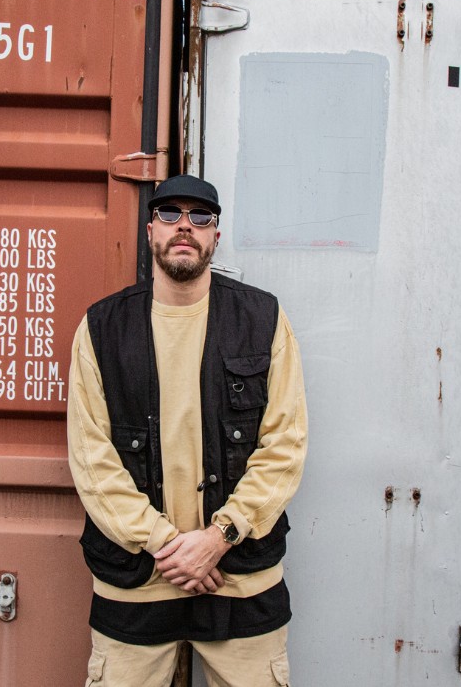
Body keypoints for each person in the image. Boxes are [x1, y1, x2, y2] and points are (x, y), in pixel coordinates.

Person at [67, 174, 308, 687]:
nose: (185, 227)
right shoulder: (102, 329)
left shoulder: (262, 318)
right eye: (171, 214)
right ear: (150, 230)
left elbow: (284, 445)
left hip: (238, 576)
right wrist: (165, 543)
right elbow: (92, 459)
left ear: (215, 235)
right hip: (138, 579)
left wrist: (218, 538)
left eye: (201, 217)